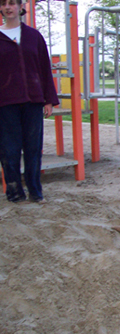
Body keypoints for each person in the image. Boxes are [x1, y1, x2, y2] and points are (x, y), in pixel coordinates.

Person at [0, 0, 59, 203]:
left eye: (12, 3)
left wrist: (49, 100)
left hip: (33, 101)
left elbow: (44, 68)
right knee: (9, 149)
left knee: (33, 148)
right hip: (5, 103)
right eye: (4, 4)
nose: (8, 7)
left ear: (20, 7)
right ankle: (15, 192)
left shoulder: (34, 36)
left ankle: (35, 192)